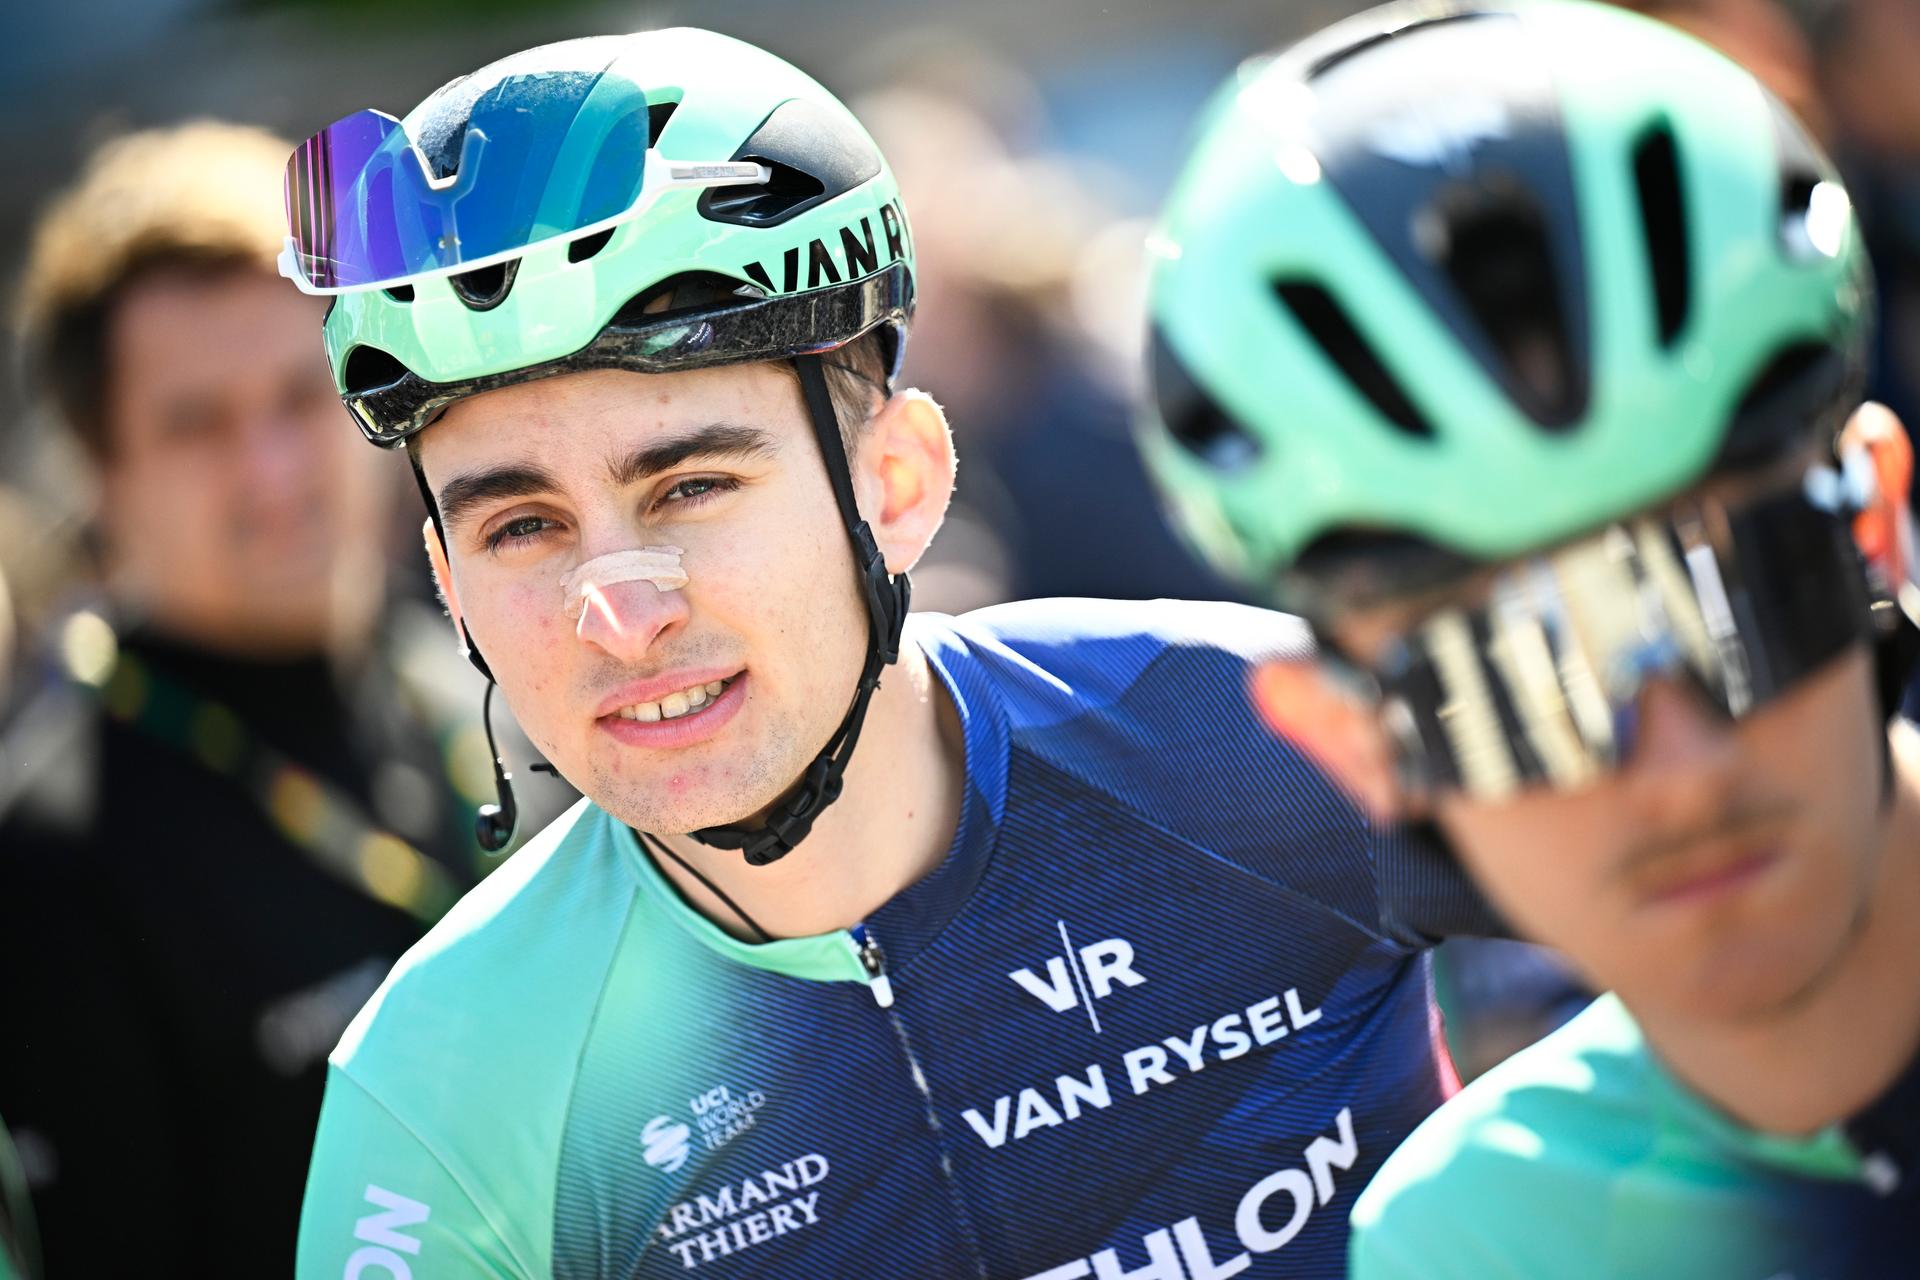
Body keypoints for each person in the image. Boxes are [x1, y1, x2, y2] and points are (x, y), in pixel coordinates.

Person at [287, 28, 1501, 1277]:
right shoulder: (444, 1084)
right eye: (523, 527)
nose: (615, 611)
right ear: (447, 586)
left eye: (691, 486)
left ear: (898, 483)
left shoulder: (1250, 732)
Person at [1135, 1, 1919, 1275]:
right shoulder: (1479, 1242)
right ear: (1351, 741)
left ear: (1876, 532)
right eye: (1509, 682)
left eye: (1739, 604)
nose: (1679, 769)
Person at [0, 121, 497, 1273]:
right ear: (98, 465)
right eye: (197, 424)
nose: (269, 470)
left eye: (296, 395)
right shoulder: (46, 854)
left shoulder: (481, 674)